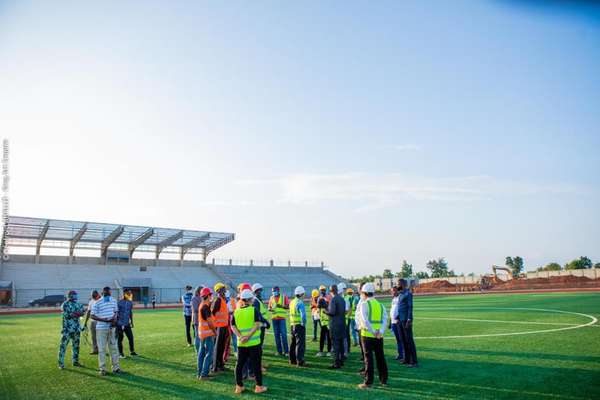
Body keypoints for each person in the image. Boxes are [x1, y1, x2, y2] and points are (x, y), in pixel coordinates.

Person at [231, 289, 267, 394]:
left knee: (239, 365)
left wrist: (241, 336)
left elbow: (232, 326)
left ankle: (239, 386)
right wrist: (248, 336)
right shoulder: (253, 310)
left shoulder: (236, 311)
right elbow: (257, 325)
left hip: (241, 343)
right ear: (250, 299)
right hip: (253, 343)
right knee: (256, 365)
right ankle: (258, 387)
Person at [357, 282, 388, 389]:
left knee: (368, 359)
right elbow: (385, 320)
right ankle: (383, 380)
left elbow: (365, 321)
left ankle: (368, 382)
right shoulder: (380, 305)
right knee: (380, 357)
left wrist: (373, 331)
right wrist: (380, 332)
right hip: (379, 336)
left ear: (364, 293)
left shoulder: (364, 304)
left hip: (367, 335)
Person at [91, 286, 121, 376]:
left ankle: (116, 368)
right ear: (102, 293)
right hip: (101, 329)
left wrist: (114, 319)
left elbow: (116, 312)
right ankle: (102, 369)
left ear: (110, 293)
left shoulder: (113, 300)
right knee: (102, 349)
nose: (107, 294)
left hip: (112, 328)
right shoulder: (98, 302)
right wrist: (104, 320)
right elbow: (92, 315)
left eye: (109, 293)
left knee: (114, 348)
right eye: (106, 293)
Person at [58, 290, 84, 369]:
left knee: (76, 346)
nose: (75, 296)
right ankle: (61, 363)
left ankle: (75, 361)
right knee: (63, 346)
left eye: (75, 295)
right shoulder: (65, 304)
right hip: (67, 329)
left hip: (76, 329)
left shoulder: (78, 303)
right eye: (73, 295)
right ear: (70, 295)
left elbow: (83, 312)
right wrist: (77, 314)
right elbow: (68, 315)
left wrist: (76, 314)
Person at [325, 284, 346, 369]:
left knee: (335, 344)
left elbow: (332, 312)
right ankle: (341, 361)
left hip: (335, 324)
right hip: (342, 323)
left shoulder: (333, 300)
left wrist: (325, 311)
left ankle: (336, 363)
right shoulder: (342, 299)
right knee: (341, 344)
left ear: (331, 291)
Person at [398, 279, 418, 367]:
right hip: (401, 320)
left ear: (403, 284)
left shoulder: (408, 293)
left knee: (409, 341)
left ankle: (414, 361)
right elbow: (400, 307)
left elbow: (410, 307)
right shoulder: (401, 294)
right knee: (403, 340)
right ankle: (406, 359)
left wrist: (409, 319)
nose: (397, 285)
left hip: (406, 320)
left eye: (399, 284)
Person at [197, 287, 216, 380]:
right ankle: (204, 374)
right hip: (207, 333)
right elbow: (209, 322)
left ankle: (200, 372)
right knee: (209, 353)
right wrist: (215, 332)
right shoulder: (205, 307)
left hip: (202, 333)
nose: (212, 296)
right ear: (208, 296)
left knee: (202, 353)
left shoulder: (202, 305)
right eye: (211, 295)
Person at [211, 282, 230, 373]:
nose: (225, 290)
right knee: (217, 347)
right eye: (223, 289)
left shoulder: (222, 299)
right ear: (218, 291)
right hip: (218, 327)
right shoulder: (218, 300)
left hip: (223, 326)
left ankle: (220, 365)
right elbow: (212, 312)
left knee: (221, 347)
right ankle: (215, 367)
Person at [288, 286, 308, 367]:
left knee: (293, 343)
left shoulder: (292, 302)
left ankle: (292, 360)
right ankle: (300, 361)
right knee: (300, 344)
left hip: (292, 325)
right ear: (301, 294)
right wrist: (303, 323)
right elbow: (303, 315)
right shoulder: (300, 302)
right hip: (299, 325)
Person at [268, 286, 289, 356]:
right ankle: (279, 351)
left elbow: (288, 306)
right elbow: (269, 308)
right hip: (274, 319)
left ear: (278, 290)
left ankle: (286, 351)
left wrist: (282, 306)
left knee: (284, 335)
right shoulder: (271, 298)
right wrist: (270, 309)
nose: (274, 292)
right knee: (276, 336)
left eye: (275, 291)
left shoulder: (284, 297)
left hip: (282, 319)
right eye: (273, 291)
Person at [117, 290, 138, 358]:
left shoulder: (130, 302)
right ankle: (120, 353)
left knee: (131, 338)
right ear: (124, 294)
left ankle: (132, 351)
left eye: (130, 293)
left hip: (127, 324)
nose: (130, 294)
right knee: (120, 339)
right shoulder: (119, 302)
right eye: (128, 293)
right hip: (120, 324)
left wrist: (131, 322)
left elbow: (130, 312)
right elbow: (116, 313)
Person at [83, 290, 101, 355]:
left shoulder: (101, 301)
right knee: (93, 336)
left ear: (97, 294)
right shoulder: (91, 301)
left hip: (100, 321)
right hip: (92, 321)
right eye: (92, 296)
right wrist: (85, 322)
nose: (93, 297)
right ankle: (95, 350)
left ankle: (101, 350)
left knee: (100, 336)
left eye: (94, 295)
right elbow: (88, 312)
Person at [390, 285, 405, 361]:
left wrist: (399, 318)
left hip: (398, 322)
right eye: (392, 291)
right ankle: (400, 354)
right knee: (397, 339)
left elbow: (401, 309)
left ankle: (404, 355)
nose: (393, 292)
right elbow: (392, 310)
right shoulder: (393, 299)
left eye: (394, 290)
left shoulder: (400, 298)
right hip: (393, 322)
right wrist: (390, 322)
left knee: (401, 339)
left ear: (397, 291)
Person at [316, 285, 331, 357]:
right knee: (322, 337)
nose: (322, 291)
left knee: (328, 337)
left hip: (328, 320)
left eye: (323, 290)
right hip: (323, 321)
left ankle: (329, 351)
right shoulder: (320, 298)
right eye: (321, 290)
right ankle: (321, 351)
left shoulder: (328, 297)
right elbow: (318, 310)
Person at [191, 285, 204, 353]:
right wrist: (203, 308)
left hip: (202, 319)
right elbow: (195, 309)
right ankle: (197, 350)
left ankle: (201, 349)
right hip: (196, 319)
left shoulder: (201, 298)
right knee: (197, 336)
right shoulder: (194, 298)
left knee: (201, 336)